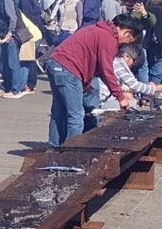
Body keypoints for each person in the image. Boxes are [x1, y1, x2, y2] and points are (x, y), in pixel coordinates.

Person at [46, 14, 142, 146]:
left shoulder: (99, 30)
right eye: (129, 40)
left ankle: (54, 147)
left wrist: (85, 82)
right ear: (127, 32)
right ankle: (70, 153)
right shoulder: (108, 38)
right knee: (76, 116)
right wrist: (120, 97)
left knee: (59, 111)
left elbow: (88, 57)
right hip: (67, 68)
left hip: (56, 62)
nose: (126, 43)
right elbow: (106, 70)